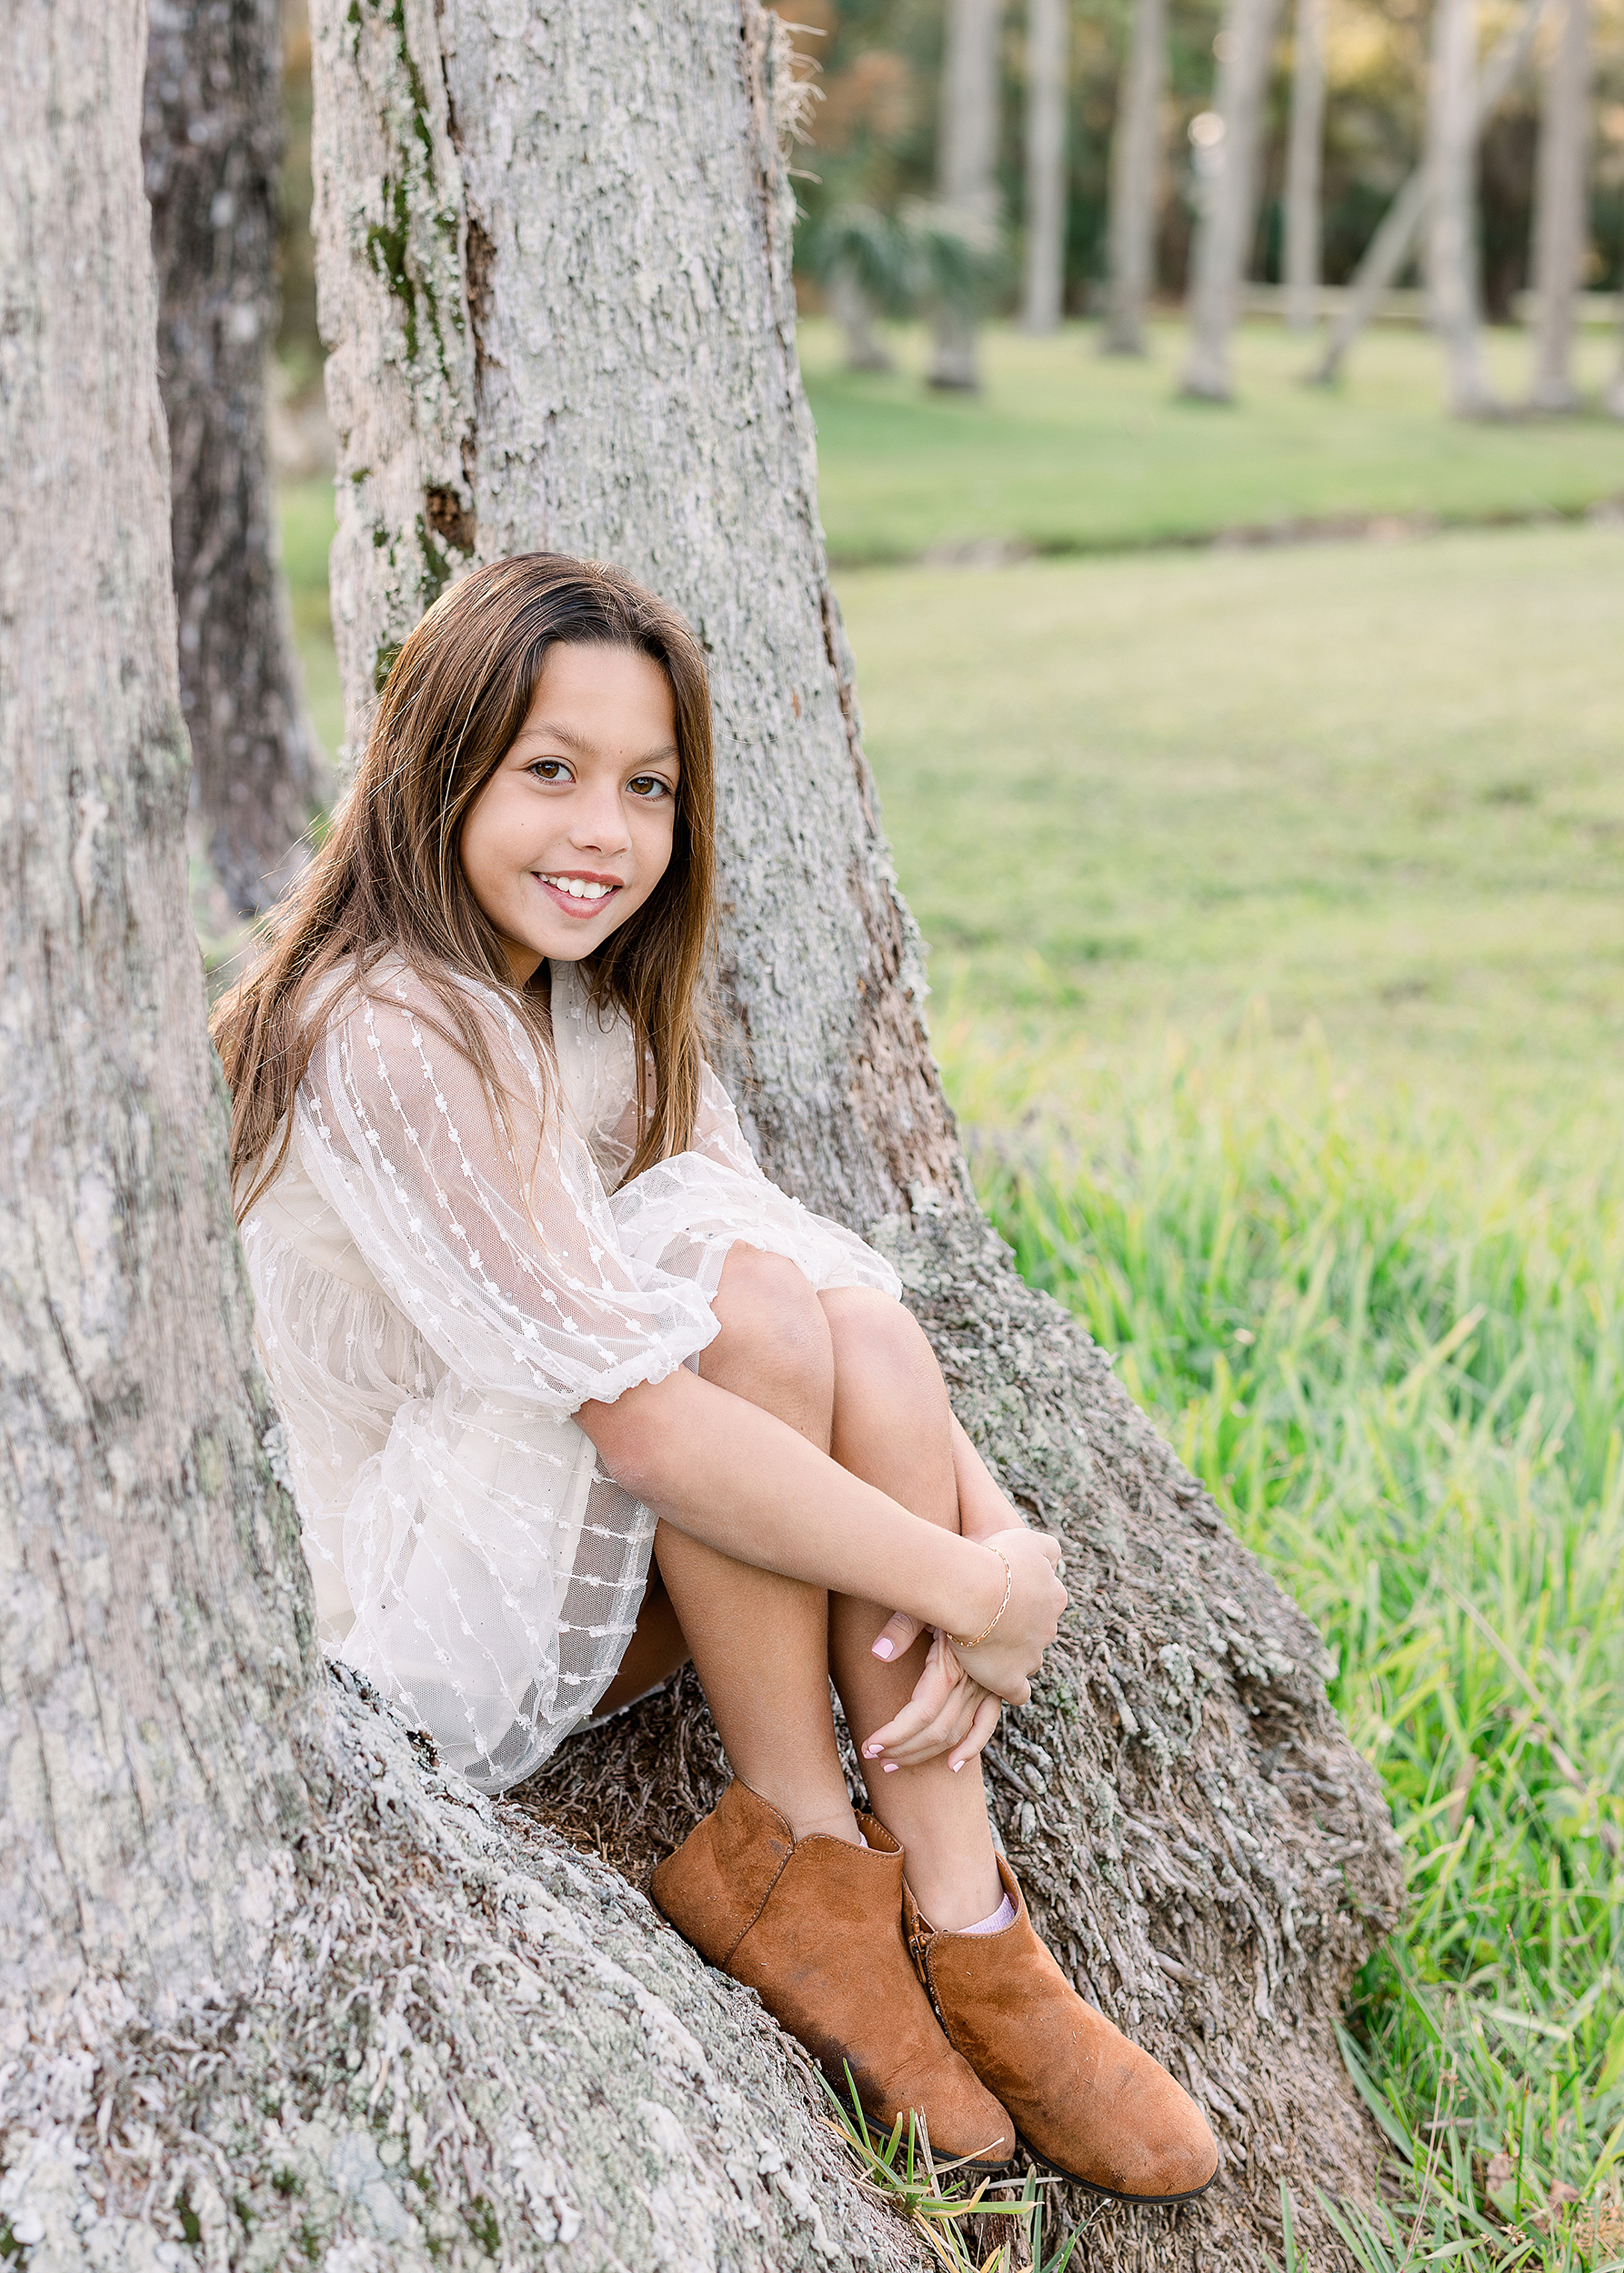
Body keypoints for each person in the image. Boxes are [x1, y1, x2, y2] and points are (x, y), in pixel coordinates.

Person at [213, 555, 1218, 2201]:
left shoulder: (593, 1018)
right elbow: (647, 1421)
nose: (601, 830)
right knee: (726, 1291)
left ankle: (963, 1927)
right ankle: (804, 1851)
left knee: (811, 1292)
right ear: (434, 764)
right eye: (549, 770)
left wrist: (1008, 1550)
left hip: (568, 1562)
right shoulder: (383, 1029)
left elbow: (839, 1304)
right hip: (395, 1629)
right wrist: (962, 1581)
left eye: (647, 786)